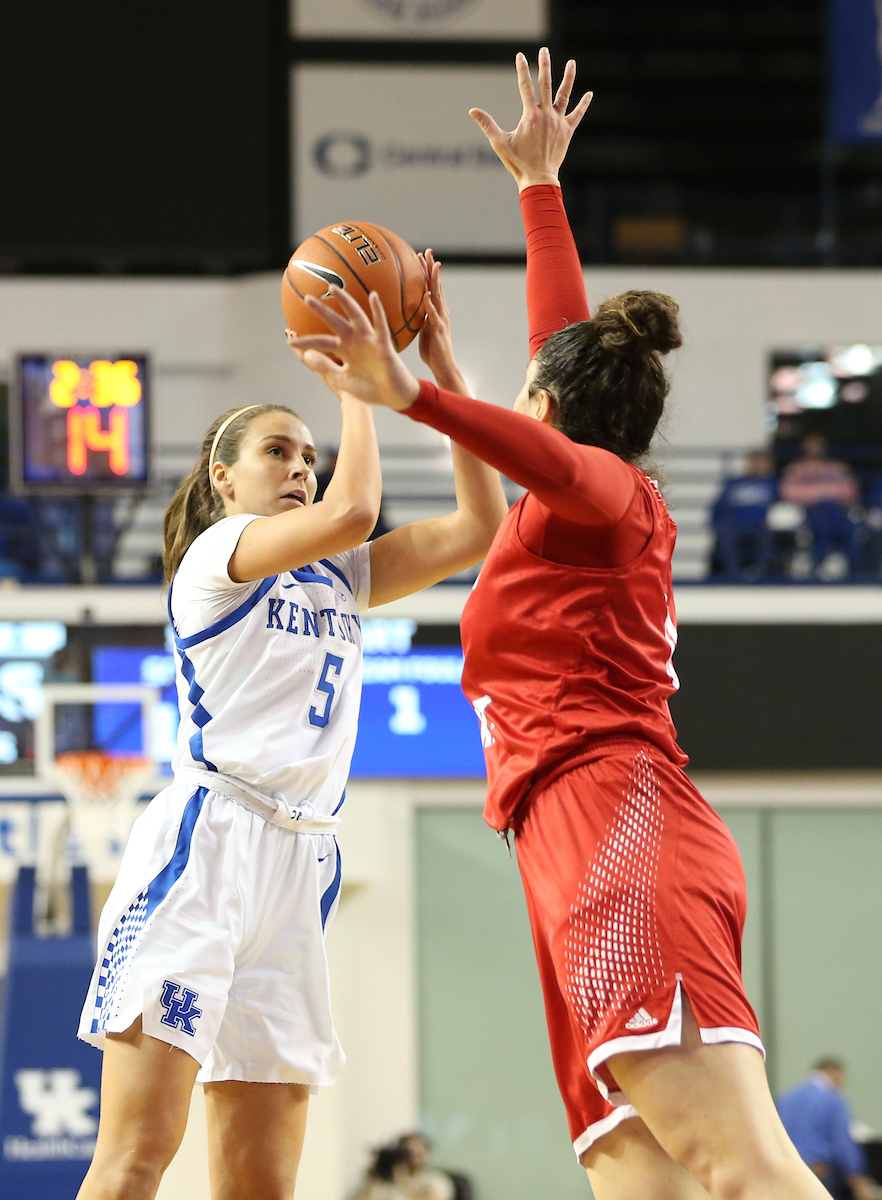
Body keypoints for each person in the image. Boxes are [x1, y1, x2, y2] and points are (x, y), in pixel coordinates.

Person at [289, 48, 832, 1200]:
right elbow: (561, 346)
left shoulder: (607, 499)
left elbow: (552, 441)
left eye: (533, 385)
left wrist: (422, 396)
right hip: (563, 840)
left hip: (620, 820)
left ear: (546, 408)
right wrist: (539, 190)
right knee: (637, 1182)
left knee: (742, 1171)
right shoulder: (582, 494)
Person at [73, 253, 507, 1200]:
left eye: (308, 456)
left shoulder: (337, 578)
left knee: (263, 1184)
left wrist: (441, 382)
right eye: (280, 451)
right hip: (207, 845)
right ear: (223, 480)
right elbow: (357, 510)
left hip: (303, 860)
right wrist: (361, 386)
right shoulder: (219, 555)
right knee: (136, 1158)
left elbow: (481, 527)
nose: (302, 467)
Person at [777, 1059, 881, 1200]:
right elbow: (842, 1143)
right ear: (834, 1072)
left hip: (785, 1173)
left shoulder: (786, 1097)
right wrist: (858, 1179)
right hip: (818, 1173)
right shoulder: (832, 1099)